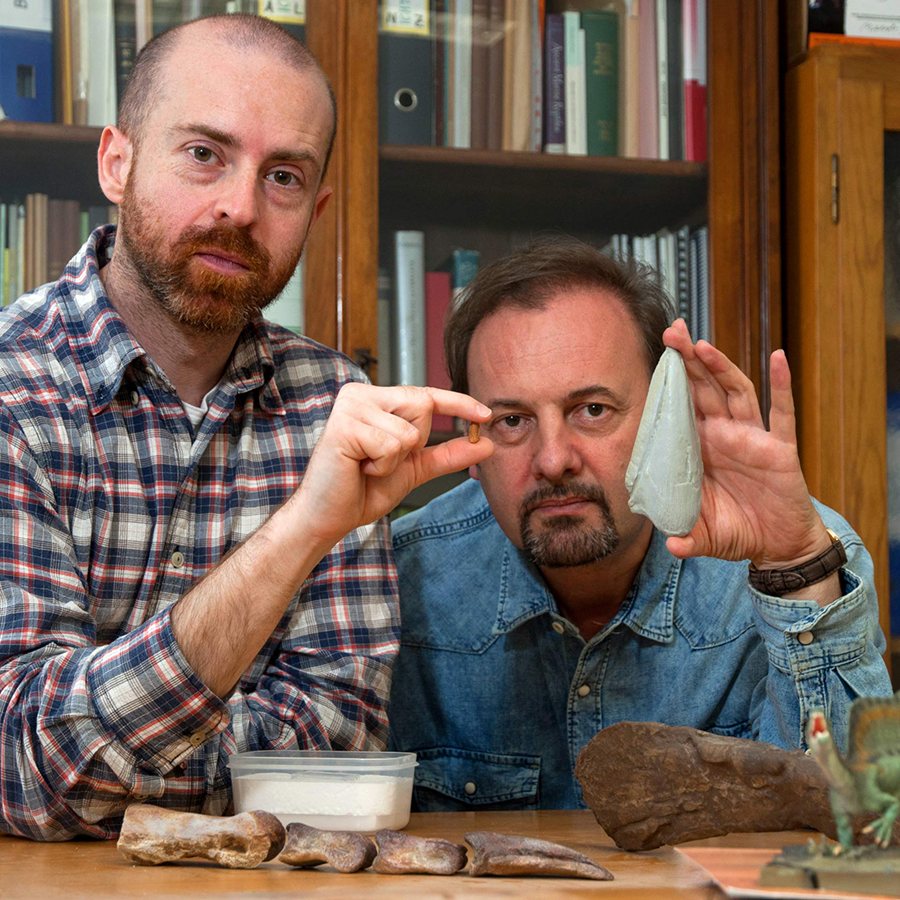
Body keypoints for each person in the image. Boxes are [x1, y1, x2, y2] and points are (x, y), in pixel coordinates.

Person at [0, 15, 492, 840]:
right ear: (116, 162)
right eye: (204, 155)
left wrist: (112, 760)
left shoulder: (336, 402)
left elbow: (339, 747)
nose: (240, 207)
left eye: (285, 177)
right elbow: (20, 765)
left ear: (317, 206)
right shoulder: (13, 387)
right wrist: (304, 527)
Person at [388, 236, 893, 812]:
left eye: (592, 411)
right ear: (470, 443)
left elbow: (860, 823)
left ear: (664, 418)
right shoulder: (402, 580)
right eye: (511, 420)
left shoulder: (799, 557)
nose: (553, 459)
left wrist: (795, 574)